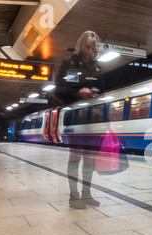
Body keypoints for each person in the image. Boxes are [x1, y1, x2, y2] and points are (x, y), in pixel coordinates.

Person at [54, 30, 103, 209]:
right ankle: (73, 197)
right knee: (76, 157)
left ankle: (87, 194)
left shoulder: (97, 67)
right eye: (87, 47)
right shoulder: (70, 63)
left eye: (94, 48)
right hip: (75, 117)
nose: (90, 51)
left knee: (90, 159)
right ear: (81, 44)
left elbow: (102, 90)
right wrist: (77, 92)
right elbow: (59, 90)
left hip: (92, 118)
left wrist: (96, 92)